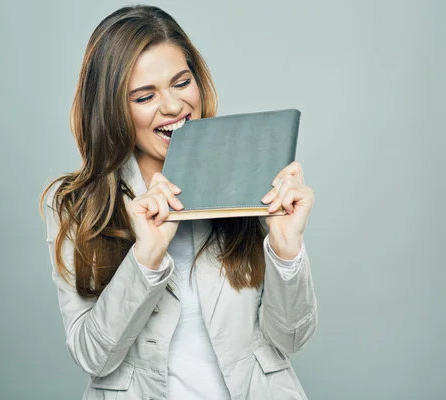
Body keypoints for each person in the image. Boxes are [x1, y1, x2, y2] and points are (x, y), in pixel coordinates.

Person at [40, 5, 317, 400]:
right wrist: (146, 258)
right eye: (144, 95)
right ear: (112, 109)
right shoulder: (75, 205)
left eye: (181, 82)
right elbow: (92, 357)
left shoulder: (249, 172)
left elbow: (290, 339)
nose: (172, 106)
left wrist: (287, 253)